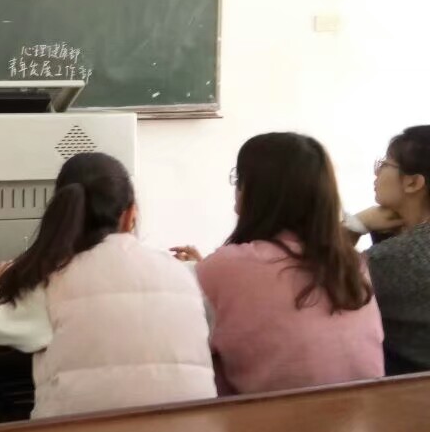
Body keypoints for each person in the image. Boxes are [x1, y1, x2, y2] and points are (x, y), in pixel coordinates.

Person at [0, 152, 215, 419]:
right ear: (130, 214)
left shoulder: (50, 279)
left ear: (63, 210)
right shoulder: (182, 273)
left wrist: (1, 287)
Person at [173, 133, 384, 394]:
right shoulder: (352, 263)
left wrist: (207, 269)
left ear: (252, 190)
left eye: (238, 179)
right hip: (368, 413)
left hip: (273, 417)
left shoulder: (225, 267)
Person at [347, 126, 430, 374]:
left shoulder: (394, 258)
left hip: (409, 388)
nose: (376, 173)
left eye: (384, 164)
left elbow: (313, 280)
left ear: (413, 182)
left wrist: (354, 225)